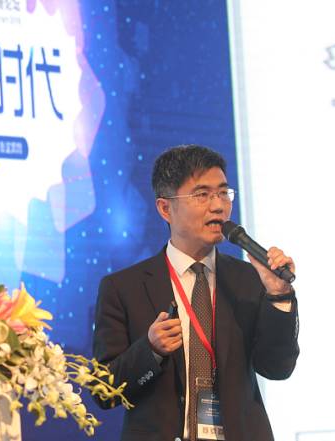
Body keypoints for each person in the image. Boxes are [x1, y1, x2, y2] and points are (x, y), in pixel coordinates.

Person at [93, 144, 299, 441]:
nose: (218, 206)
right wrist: (150, 351)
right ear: (165, 208)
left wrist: (279, 295)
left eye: (223, 193)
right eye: (202, 195)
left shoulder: (250, 280)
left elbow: (277, 368)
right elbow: (103, 391)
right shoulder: (123, 288)